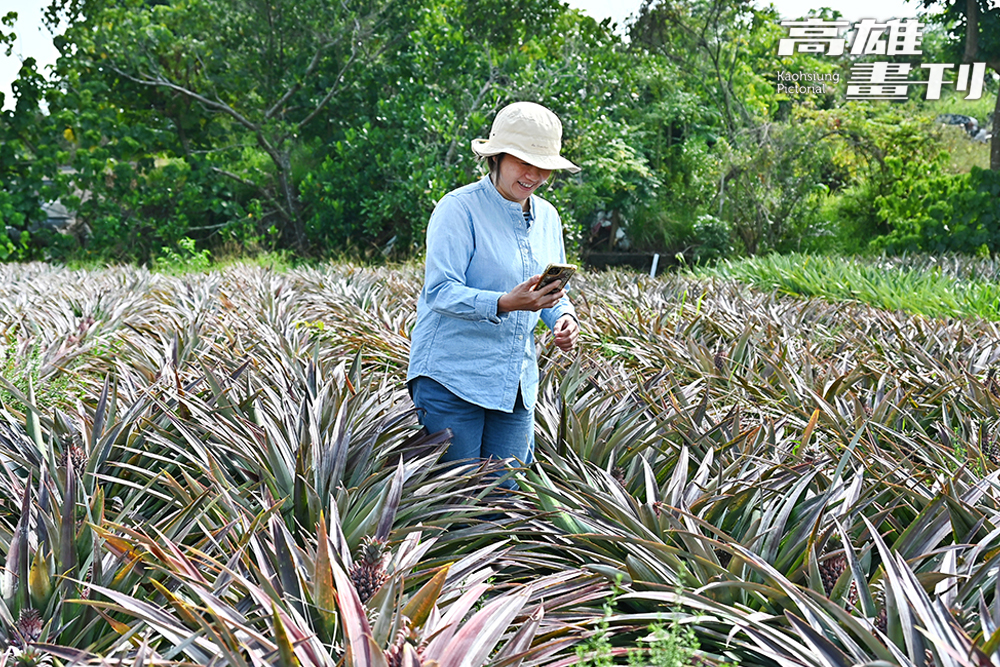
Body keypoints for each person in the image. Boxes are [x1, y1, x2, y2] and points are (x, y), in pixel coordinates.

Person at [407, 101, 581, 484]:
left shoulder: (548, 217)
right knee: (453, 504)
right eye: (523, 162)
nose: (533, 174)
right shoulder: (458, 209)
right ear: (497, 157)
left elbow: (553, 290)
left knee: (502, 500)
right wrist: (504, 303)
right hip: (452, 378)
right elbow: (440, 290)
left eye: (543, 166)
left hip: (514, 381)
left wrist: (563, 317)